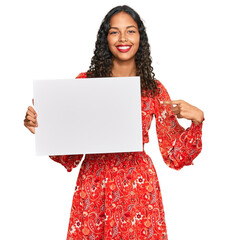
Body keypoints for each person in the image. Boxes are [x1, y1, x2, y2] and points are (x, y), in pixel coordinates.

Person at [24, 5, 204, 240]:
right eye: (114, 32)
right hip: (94, 183)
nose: (122, 38)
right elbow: (67, 153)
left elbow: (174, 154)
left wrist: (197, 121)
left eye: (130, 31)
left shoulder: (153, 89)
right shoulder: (85, 83)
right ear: (105, 38)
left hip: (138, 188)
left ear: (140, 37)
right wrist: (42, 125)